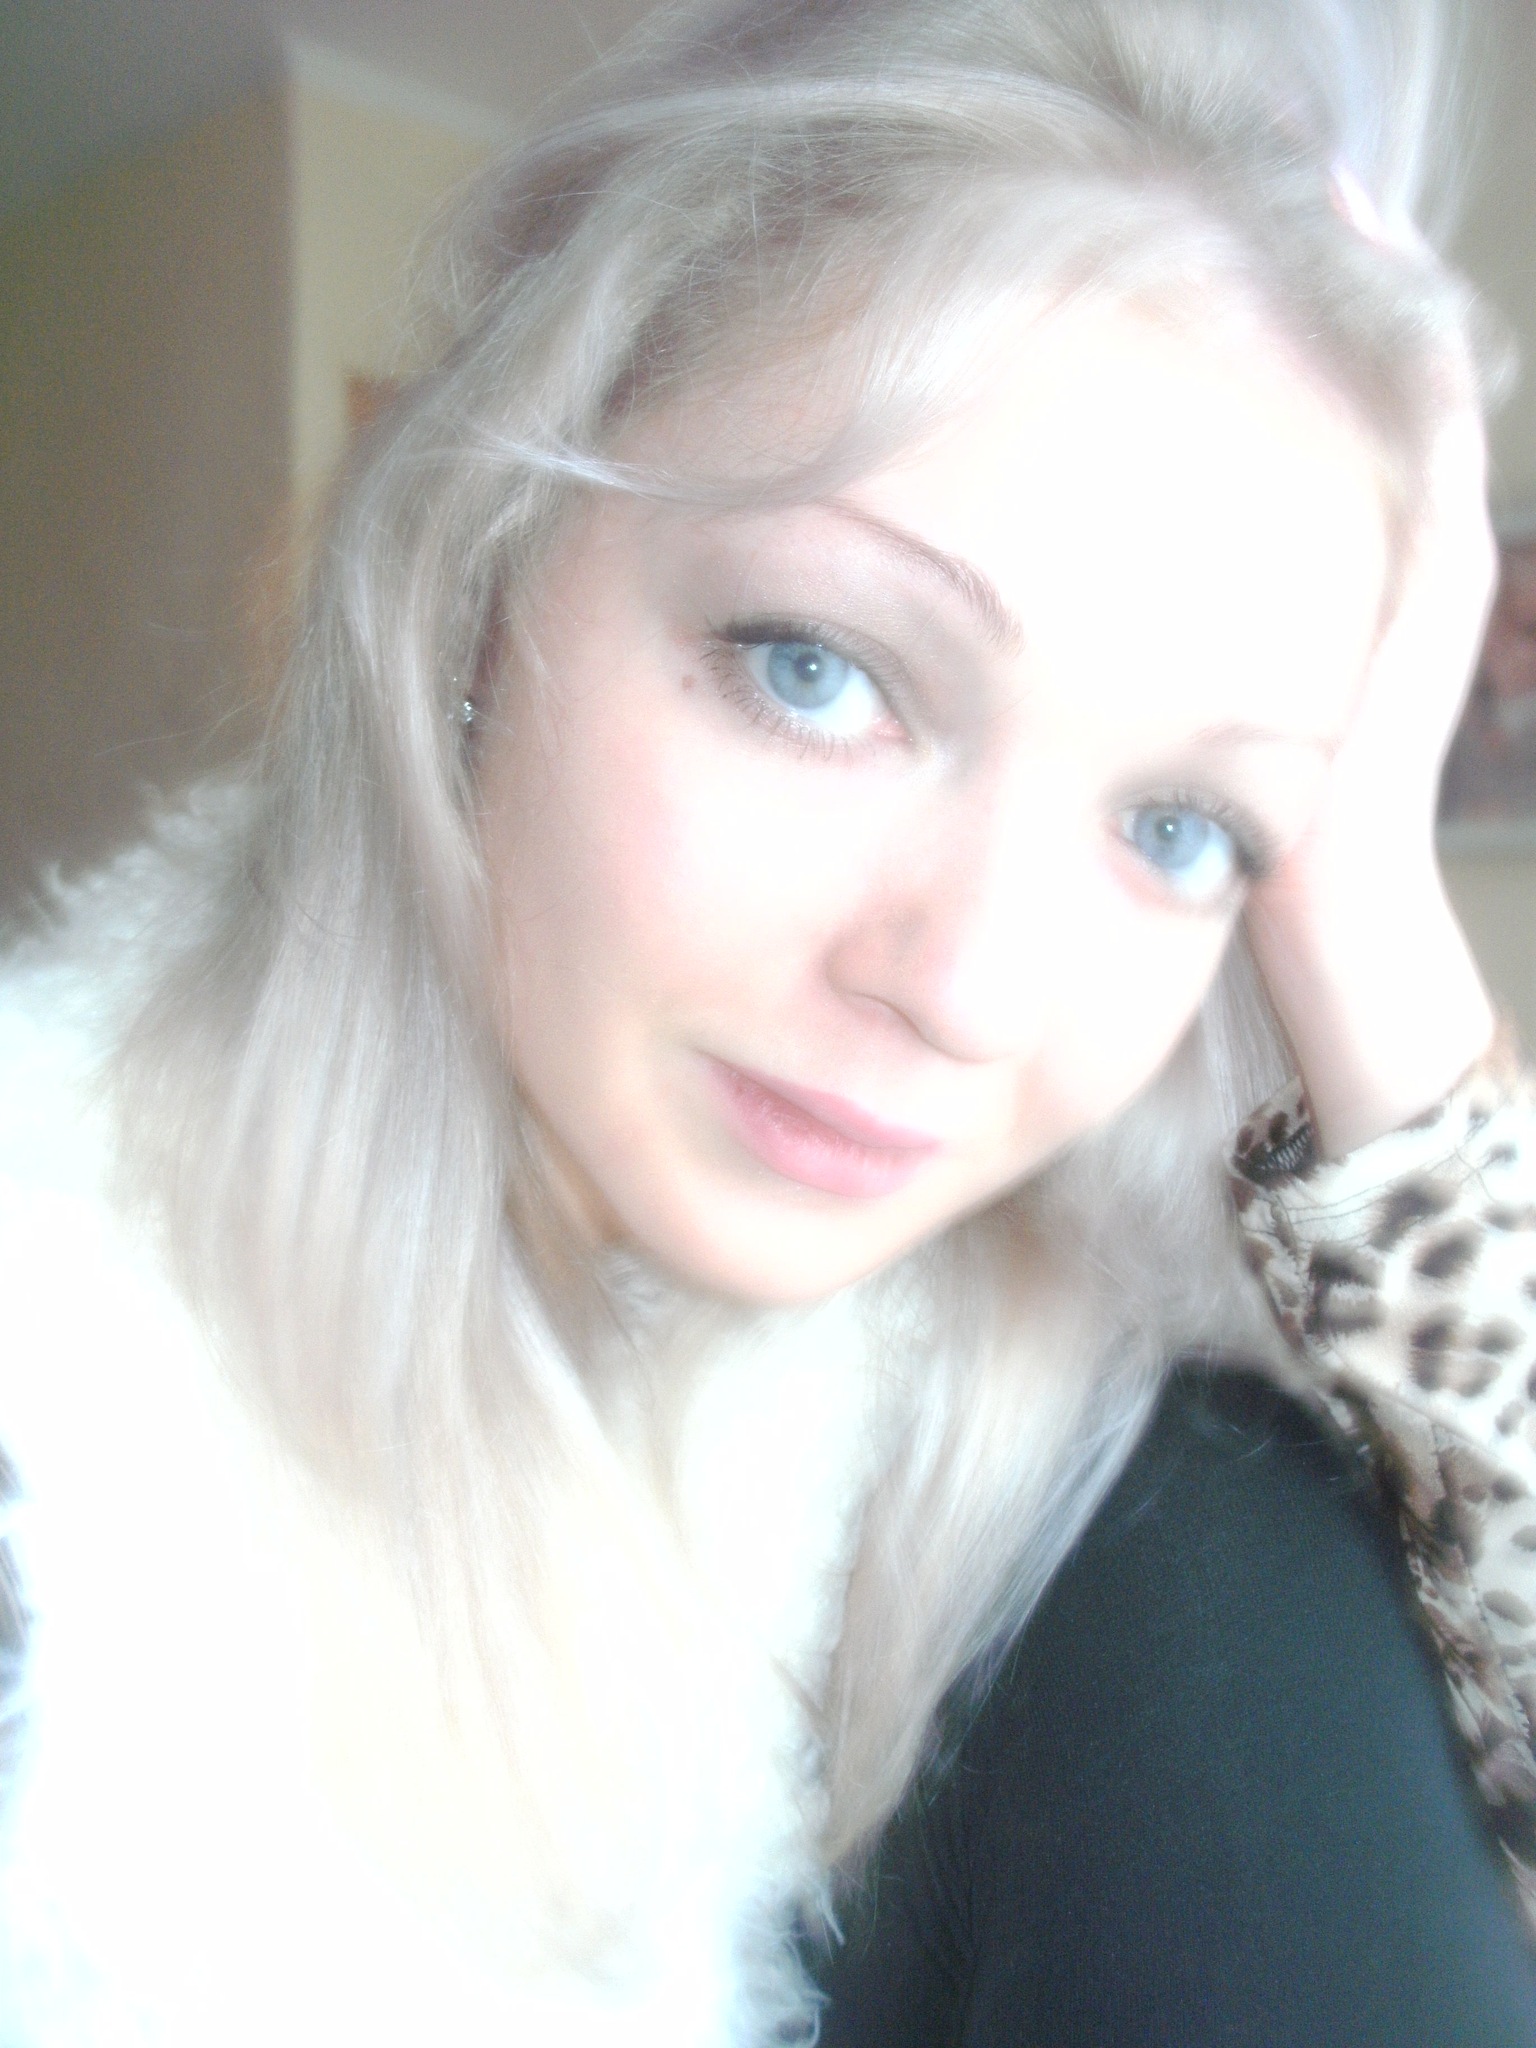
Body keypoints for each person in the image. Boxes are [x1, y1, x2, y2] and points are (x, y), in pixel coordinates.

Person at [1, 0, 1534, 2040]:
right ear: (484, 575)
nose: (970, 991)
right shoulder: (57, 1404)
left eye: (1181, 826)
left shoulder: (1104, 1530)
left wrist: (1370, 910)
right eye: (821, 671)